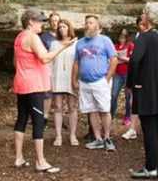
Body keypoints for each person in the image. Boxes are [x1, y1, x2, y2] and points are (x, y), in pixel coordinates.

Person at [13, 9, 74, 173]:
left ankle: (19, 158)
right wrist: (63, 47)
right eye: (40, 21)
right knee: (38, 122)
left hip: (22, 84)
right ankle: (40, 161)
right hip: (34, 86)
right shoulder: (32, 37)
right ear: (31, 22)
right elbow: (45, 57)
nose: (42, 24)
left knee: (22, 120)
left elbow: (16, 61)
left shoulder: (19, 37)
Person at [129, 2, 158, 179]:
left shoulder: (144, 37)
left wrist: (133, 83)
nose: (143, 16)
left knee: (149, 129)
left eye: (144, 13)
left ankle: (150, 168)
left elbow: (134, 61)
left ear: (150, 16)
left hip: (146, 89)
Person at [71, 15, 117, 151]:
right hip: (84, 83)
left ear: (97, 26)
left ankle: (107, 138)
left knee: (104, 110)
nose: (87, 25)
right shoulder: (80, 43)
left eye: (91, 23)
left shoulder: (105, 40)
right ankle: (97, 139)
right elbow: (76, 63)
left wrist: (107, 78)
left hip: (100, 81)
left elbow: (114, 59)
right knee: (91, 110)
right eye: (86, 23)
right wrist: (74, 80)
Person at [50, 19, 80, 147]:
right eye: (60, 27)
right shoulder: (54, 43)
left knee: (72, 107)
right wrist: (49, 80)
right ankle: (58, 136)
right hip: (57, 78)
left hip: (71, 78)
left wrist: (77, 79)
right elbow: (50, 62)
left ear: (69, 28)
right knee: (58, 107)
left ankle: (73, 135)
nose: (62, 29)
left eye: (64, 26)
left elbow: (79, 62)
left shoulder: (76, 43)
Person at [111, 29, 133, 121]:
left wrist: (121, 57)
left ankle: (127, 116)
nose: (122, 38)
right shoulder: (115, 46)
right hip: (117, 73)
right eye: (120, 36)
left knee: (128, 96)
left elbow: (132, 60)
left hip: (127, 72)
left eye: (124, 36)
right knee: (114, 94)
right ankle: (111, 115)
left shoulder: (131, 45)